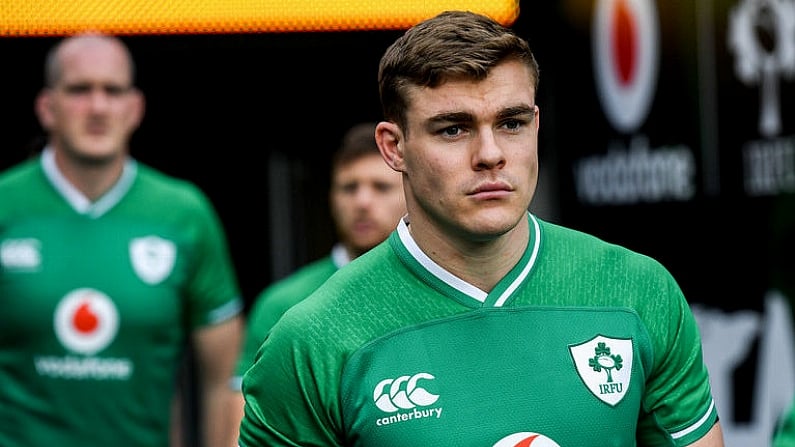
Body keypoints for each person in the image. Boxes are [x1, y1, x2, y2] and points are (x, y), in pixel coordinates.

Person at [238, 10, 724, 447]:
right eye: (454, 128)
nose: (490, 154)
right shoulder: (312, 339)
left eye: (511, 123)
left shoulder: (637, 291)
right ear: (394, 147)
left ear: (536, 125)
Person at [0, 32, 244, 446]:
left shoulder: (184, 213)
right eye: (79, 90)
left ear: (135, 109)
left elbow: (222, 382)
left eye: (112, 91)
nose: (98, 107)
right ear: (46, 107)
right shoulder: (5, 204)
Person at [226, 121, 405, 442]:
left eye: (380, 187)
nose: (362, 201)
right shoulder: (281, 303)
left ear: (411, 190)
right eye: (349, 188)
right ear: (331, 197)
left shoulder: (433, 287)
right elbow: (240, 431)